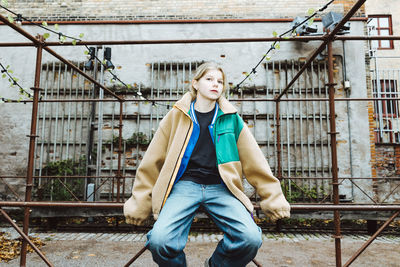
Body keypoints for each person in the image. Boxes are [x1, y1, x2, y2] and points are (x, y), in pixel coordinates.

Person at [124, 62, 290, 267]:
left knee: (250, 239)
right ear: (195, 83)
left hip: (222, 187)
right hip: (185, 186)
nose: (216, 85)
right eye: (209, 79)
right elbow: (152, 160)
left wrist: (272, 198)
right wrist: (140, 201)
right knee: (159, 241)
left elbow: (255, 161)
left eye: (220, 81)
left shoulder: (231, 118)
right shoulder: (177, 115)